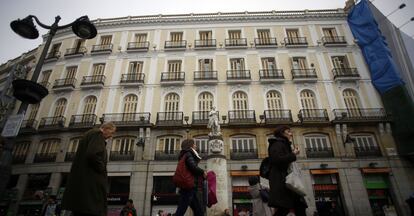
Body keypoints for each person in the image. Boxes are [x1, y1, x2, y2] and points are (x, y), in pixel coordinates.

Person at [61, 122, 116, 216]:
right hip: (90, 184)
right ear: (106, 129)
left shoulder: (89, 134)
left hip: (83, 184)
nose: (111, 136)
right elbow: (92, 154)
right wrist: (101, 167)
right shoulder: (98, 134)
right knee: (91, 209)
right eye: (112, 132)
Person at [267, 125, 303, 216]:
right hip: (281, 180)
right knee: (286, 208)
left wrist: (292, 153)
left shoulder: (283, 144)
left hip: (286, 180)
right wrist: (293, 154)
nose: (291, 134)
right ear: (282, 133)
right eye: (289, 132)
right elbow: (277, 159)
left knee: (289, 207)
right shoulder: (277, 144)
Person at [175, 139, 207, 216]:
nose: (196, 145)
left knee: (199, 211)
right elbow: (193, 167)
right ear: (190, 145)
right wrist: (203, 172)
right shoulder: (189, 153)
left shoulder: (185, 154)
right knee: (181, 211)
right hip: (189, 186)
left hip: (191, 187)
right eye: (194, 144)